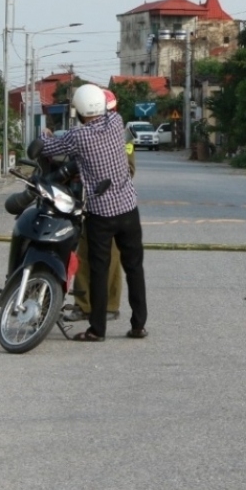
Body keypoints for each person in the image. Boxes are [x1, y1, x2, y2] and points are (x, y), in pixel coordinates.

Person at [39, 84, 147, 341]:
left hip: (101, 214)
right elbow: (107, 110)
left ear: (79, 111)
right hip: (129, 209)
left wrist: (44, 134)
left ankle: (97, 329)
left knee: (99, 270)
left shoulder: (79, 136)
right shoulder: (116, 121)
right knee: (134, 268)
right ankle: (138, 325)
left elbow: (50, 148)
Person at [65, 89, 135, 323]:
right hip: (84, 204)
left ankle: (110, 306)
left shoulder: (123, 135)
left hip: (113, 204)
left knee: (112, 258)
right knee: (83, 254)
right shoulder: (79, 134)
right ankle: (83, 305)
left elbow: (129, 169)